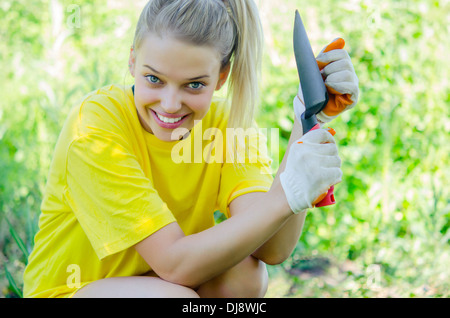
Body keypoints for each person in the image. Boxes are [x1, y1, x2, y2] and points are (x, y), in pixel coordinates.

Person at [23, 0, 358, 298]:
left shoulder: (229, 125)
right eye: (153, 79)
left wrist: (306, 120)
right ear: (132, 61)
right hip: (73, 290)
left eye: (194, 84)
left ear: (222, 77)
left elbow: (271, 249)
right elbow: (173, 264)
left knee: (246, 277)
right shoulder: (96, 126)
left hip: (160, 283)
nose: (170, 105)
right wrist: (286, 192)